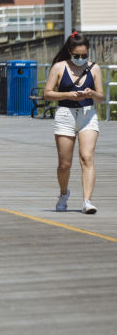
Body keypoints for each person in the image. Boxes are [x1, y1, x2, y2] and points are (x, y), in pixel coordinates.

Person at [43, 31, 102, 214]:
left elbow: (101, 96)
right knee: (64, 164)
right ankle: (63, 193)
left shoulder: (94, 68)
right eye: (77, 56)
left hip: (87, 115)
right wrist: (68, 94)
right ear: (70, 51)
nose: (81, 59)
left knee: (87, 158)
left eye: (84, 56)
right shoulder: (59, 67)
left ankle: (87, 201)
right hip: (65, 114)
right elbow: (47, 93)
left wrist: (91, 94)